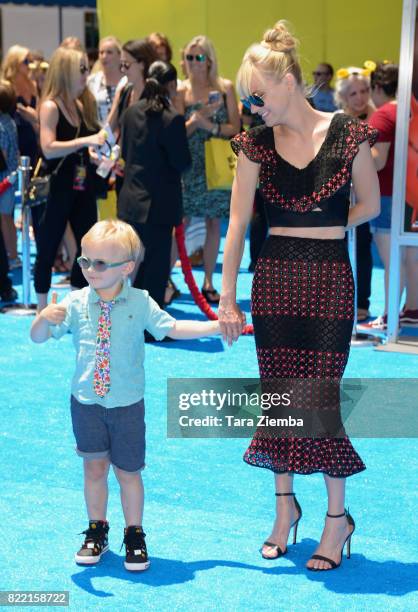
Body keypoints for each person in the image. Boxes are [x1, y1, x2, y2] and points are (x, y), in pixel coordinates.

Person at [219, 21, 380, 571]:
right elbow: (238, 225)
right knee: (282, 401)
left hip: (330, 280)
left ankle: (338, 519)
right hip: (274, 279)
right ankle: (285, 508)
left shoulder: (347, 133)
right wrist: (226, 298)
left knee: (320, 398)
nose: (253, 105)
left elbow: (373, 206)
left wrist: (329, 223)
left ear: (288, 80)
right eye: (247, 97)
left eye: (257, 94)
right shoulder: (253, 145)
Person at [30, 219, 219, 571]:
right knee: (94, 469)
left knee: (129, 473)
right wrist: (43, 317)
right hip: (86, 403)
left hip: (127, 405)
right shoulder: (74, 302)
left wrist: (214, 325)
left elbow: (173, 328)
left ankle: (134, 533)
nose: (89, 269)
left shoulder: (142, 302)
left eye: (100, 263)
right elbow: (39, 337)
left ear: (127, 268)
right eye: (85, 260)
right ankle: (96, 530)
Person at [34, 46, 106, 311]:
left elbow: (90, 142)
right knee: (48, 246)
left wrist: (97, 155)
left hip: (82, 184)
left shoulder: (80, 104)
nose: (87, 74)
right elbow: (48, 148)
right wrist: (86, 140)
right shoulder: (51, 106)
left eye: (87, 68)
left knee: (89, 246)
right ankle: (42, 307)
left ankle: (78, 301)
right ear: (66, 72)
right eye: (82, 69)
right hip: (58, 186)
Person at [118, 61, 191, 311]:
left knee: (130, 265)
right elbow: (182, 162)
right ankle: (149, 324)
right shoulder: (172, 119)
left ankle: (126, 318)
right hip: (159, 204)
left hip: (130, 201)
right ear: (172, 85)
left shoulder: (129, 113)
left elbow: (126, 154)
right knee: (155, 267)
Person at [177, 35, 240, 303]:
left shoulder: (225, 87)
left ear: (210, 60)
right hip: (189, 164)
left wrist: (210, 127)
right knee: (181, 221)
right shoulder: (181, 92)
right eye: (190, 57)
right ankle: (166, 278)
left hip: (216, 163)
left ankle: (209, 281)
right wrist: (197, 120)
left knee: (215, 222)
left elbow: (235, 129)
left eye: (199, 57)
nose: (194, 62)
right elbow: (175, 131)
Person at [360, 63, 418, 329]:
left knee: (392, 259)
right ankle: (411, 308)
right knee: (409, 254)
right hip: (409, 194)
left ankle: (389, 314)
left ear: (378, 87)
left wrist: (355, 148)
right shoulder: (409, 110)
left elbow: (378, 161)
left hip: (386, 195)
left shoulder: (383, 115)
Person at [334, 64, 376, 321]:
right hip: (343, 194)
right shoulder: (338, 120)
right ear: (343, 98)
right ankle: (337, 301)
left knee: (363, 247)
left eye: (364, 90)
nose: (360, 97)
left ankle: (362, 302)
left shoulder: (378, 116)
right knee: (338, 248)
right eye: (353, 94)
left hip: (370, 197)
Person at [0, 80, 19, 266]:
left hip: (4, 177)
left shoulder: (0, 125)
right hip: (12, 175)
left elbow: (3, 154)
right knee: (8, 217)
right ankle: (12, 254)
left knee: (4, 217)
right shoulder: (10, 121)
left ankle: (12, 256)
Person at [87, 36, 126, 126]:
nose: (104, 56)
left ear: (120, 55)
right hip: (97, 135)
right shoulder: (91, 81)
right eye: (101, 52)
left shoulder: (127, 81)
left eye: (109, 52)